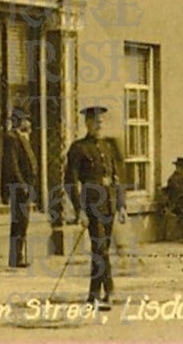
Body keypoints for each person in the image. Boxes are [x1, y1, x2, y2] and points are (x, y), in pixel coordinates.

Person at [64, 106, 125, 311]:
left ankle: (93, 295)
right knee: (99, 248)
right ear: (87, 124)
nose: (100, 126)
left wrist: (121, 204)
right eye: (96, 122)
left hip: (109, 204)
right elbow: (70, 181)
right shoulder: (78, 148)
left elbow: (116, 177)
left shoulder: (107, 147)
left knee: (102, 250)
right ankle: (109, 290)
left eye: (102, 122)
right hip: (91, 204)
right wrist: (79, 210)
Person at [2, 107, 38, 268]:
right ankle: (15, 258)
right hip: (19, 187)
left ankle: (18, 256)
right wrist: (22, 184)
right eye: (26, 119)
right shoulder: (11, 138)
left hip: (26, 186)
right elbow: (13, 164)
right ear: (19, 121)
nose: (28, 123)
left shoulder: (21, 137)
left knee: (23, 222)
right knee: (19, 221)